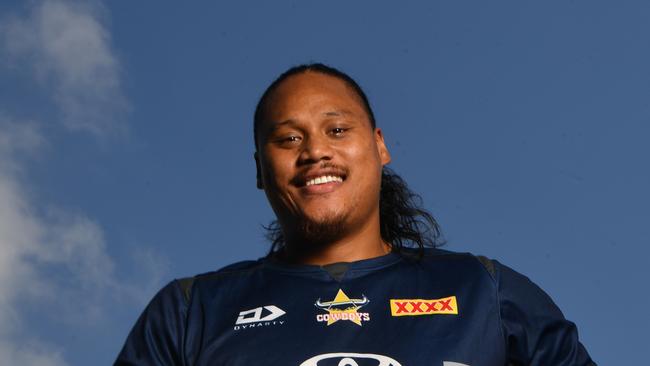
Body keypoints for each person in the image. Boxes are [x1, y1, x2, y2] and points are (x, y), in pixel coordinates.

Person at [115, 63, 595, 366]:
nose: (316, 152)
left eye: (338, 129)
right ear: (261, 170)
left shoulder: (485, 292)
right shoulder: (190, 311)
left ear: (380, 145)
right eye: (288, 139)